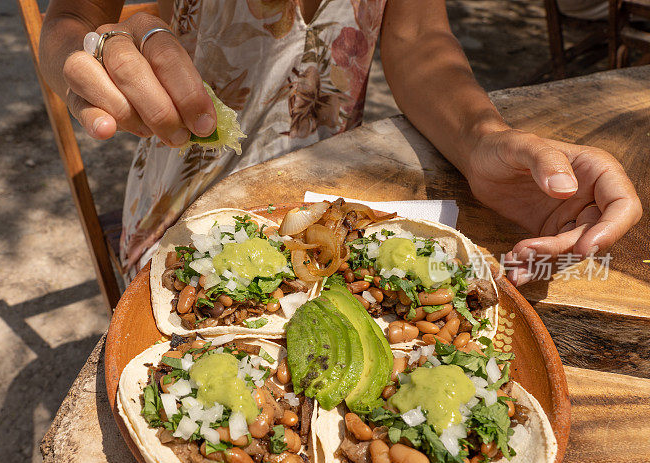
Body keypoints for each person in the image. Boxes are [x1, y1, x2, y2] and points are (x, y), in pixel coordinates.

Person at [39, 0, 641, 287]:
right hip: (185, 222)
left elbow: (417, 39)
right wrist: (86, 52)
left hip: (332, 208)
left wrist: (486, 140)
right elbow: (73, 17)